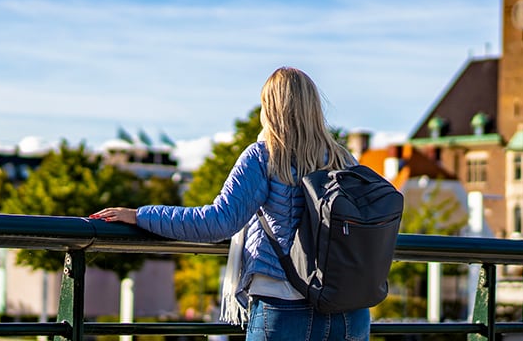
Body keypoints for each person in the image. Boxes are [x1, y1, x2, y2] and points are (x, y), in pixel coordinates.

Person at [91, 67, 370, 341]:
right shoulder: (345, 161)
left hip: (284, 309)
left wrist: (140, 215)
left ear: (270, 108)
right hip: (348, 312)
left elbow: (217, 222)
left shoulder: (265, 156)